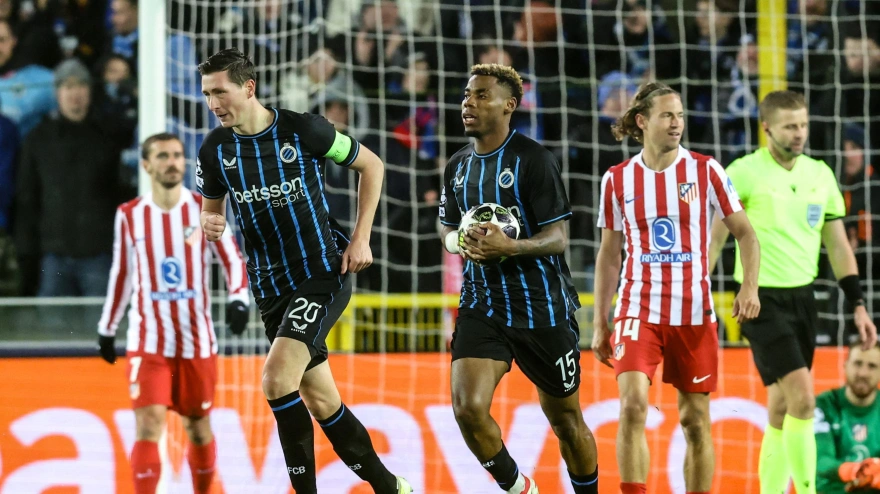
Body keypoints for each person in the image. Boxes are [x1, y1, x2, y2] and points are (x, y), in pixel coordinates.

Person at [196, 48, 412, 494]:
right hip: (270, 287)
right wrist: (209, 223)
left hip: (322, 272)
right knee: (320, 399)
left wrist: (361, 237)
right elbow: (210, 213)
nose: (213, 103)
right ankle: (390, 487)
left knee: (276, 380)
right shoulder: (216, 149)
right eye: (207, 94)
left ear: (248, 87)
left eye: (220, 91)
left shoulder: (304, 129)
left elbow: (371, 164)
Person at [591, 82, 762, 494]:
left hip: (693, 312)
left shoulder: (706, 170)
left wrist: (749, 288)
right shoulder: (617, 180)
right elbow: (609, 254)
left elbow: (747, 235)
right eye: (668, 115)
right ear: (642, 121)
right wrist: (600, 321)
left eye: (681, 115)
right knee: (632, 406)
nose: (677, 123)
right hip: (638, 309)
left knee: (694, 421)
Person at [438, 63, 600, 494]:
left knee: (567, 421)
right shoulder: (456, 166)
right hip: (482, 302)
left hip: (542, 307)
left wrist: (510, 247)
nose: (468, 103)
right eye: (466, 95)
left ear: (509, 105)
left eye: (481, 95)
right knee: (467, 407)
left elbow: (558, 238)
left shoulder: (533, 160)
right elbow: (446, 226)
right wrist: (459, 242)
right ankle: (520, 488)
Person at [709, 90, 878, 494]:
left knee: (782, 408)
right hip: (758, 300)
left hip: (804, 300)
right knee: (804, 399)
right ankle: (806, 491)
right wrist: (701, 293)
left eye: (803, 124)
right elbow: (715, 240)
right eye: (790, 125)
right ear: (766, 128)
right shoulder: (744, 172)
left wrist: (858, 305)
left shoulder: (820, 174)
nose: (799, 132)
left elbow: (838, 246)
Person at [96, 132, 250, 494]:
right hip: (148, 341)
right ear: (147, 165)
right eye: (163, 156)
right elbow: (122, 274)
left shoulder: (203, 208)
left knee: (198, 426)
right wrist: (107, 328)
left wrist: (239, 298)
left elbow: (232, 259)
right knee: (149, 424)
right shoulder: (130, 215)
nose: (172, 162)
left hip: (197, 341)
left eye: (178, 155)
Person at [815, 343, 880, 493]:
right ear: (845, 365)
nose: (863, 373)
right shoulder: (824, 405)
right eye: (858, 364)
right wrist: (854, 471)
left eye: (872, 366)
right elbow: (820, 460)